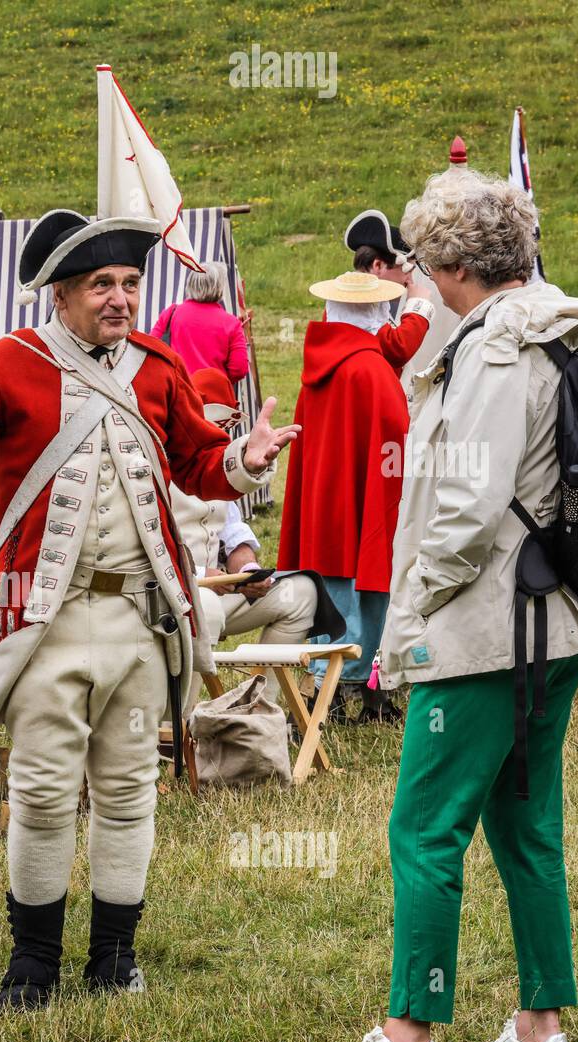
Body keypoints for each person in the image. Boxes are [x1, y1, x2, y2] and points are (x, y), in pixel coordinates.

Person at [0, 210, 297, 1010]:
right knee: (43, 794)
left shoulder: (154, 367)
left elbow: (196, 462)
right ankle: (33, 964)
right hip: (46, 617)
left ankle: (115, 957)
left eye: (128, 283)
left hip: (139, 618)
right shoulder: (7, 363)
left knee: (127, 790)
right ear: (63, 295)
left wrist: (243, 461)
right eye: (100, 286)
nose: (119, 299)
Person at [300, 170, 578, 1042]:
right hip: (550, 621)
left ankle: (407, 1039)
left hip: (485, 625)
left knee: (424, 828)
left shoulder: (496, 353)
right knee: (524, 820)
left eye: (425, 261)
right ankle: (538, 1023)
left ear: (454, 264)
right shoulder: (535, 326)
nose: (416, 276)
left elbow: (467, 508)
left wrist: (414, 614)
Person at [277, 270, 411, 723]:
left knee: (331, 587)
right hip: (367, 492)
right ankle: (367, 687)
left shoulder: (316, 369)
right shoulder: (372, 368)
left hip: (325, 498)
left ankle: (326, 687)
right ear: (373, 312)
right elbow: (396, 433)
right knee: (371, 585)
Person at [175, 371, 320, 653]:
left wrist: (247, 571)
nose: (217, 433)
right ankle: (190, 699)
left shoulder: (220, 465)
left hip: (218, 590)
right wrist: (202, 574)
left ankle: (260, 695)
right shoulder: (155, 460)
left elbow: (234, 533)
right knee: (205, 608)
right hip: (172, 594)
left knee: (302, 594)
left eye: (222, 426)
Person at [343, 208, 438, 376]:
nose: (410, 280)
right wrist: (418, 307)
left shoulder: (361, 294)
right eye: (407, 269)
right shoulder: (356, 299)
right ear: (378, 266)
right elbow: (397, 350)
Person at [148, 261, 249, 385]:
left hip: (177, 393)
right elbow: (239, 369)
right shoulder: (232, 323)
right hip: (214, 396)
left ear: (191, 284)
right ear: (219, 288)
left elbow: (151, 349)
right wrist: (221, 382)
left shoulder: (171, 313)